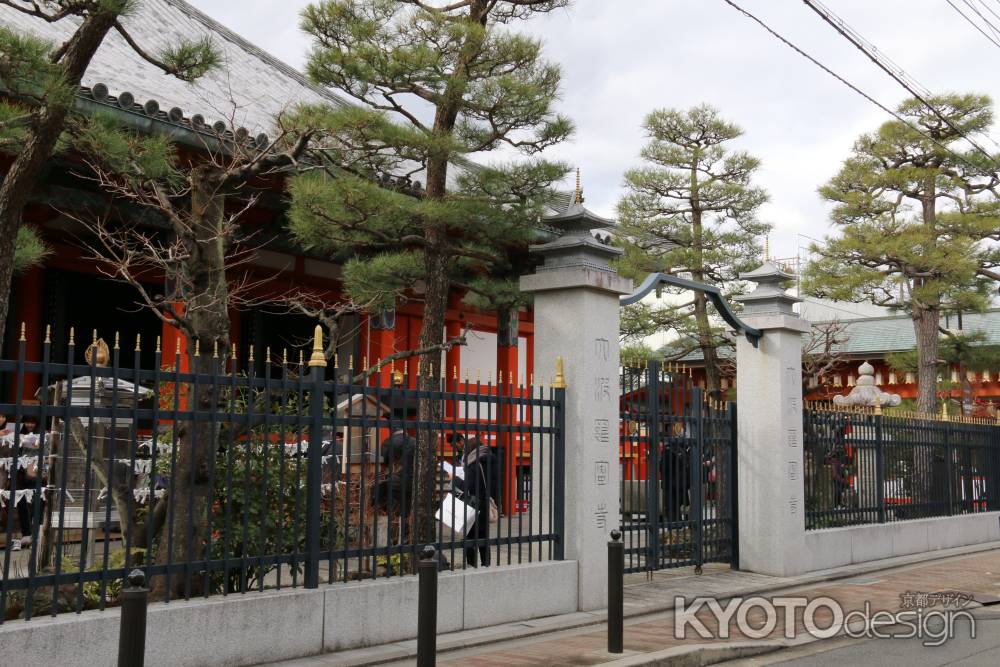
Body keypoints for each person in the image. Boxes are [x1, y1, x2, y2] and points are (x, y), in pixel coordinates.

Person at [452, 437, 497, 567]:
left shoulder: (474, 464)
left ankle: (471, 564)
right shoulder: (491, 461)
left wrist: (454, 479)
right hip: (485, 503)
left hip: (474, 504)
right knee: (483, 536)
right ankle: (486, 564)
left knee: (470, 537)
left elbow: (468, 487)